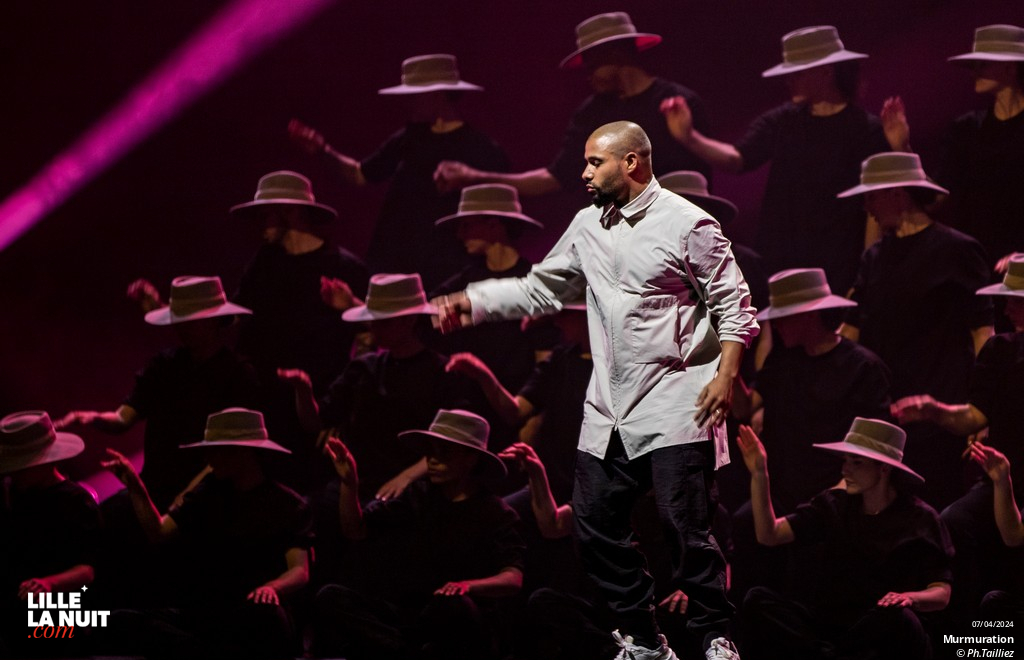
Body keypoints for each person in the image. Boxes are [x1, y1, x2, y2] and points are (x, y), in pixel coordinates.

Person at [434, 121, 757, 660]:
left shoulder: (688, 224)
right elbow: (542, 288)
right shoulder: (587, 224)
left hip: (677, 401)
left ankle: (714, 638)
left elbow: (735, 305)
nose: (583, 173)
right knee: (592, 525)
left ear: (631, 162)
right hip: (609, 408)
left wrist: (725, 377)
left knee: (685, 527)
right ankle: (645, 640)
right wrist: (475, 301)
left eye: (594, 162)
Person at [662, 25, 889, 293]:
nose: (789, 80)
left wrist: (867, 268)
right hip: (784, 257)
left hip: (841, 258)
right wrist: (690, 138)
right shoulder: (783, 121)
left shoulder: (865, 129)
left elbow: (875, 201)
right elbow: (738, 158)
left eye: (797, 73)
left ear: (826, 72)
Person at [838, 151, 994, 507]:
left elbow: (983, 334)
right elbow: (851, 333)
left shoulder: (957, 250)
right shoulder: (874, 258)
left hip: (941, 414)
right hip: (887, 415)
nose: (867, 208)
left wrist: (982, 412)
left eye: (871, 197)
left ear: (899, 195)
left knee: (939, 508)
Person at [728, 268, 892, 601]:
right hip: (783, 490)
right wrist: (727, 366)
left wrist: (838, 495)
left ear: (810, 316)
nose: (776, 326)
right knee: (744, 528)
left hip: (834, 495)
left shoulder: (862, 368)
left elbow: (875, 451)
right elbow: (744, 408)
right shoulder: (783, 359)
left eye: (783, 318)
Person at [100, 408, 311, 660]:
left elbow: (300, 570)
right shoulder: (209, 492)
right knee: (121, 621)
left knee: (265, 619)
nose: (209, 458)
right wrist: (136, 487)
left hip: (253, 615)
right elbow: (159, 531)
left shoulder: (288, 505)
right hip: (207, 614)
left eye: (217, 450)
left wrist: (272, 588)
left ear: (244, 452)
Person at [313, 409, 524, 660]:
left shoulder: (495, 512)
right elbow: (355, 530)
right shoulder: (417, 496)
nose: (432, 460)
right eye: (430, 451)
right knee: (331, 597)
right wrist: (350, 484)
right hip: (409, 618)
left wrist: (467, 587)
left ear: (471, 459)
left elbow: (513, 579)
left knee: (452, 606)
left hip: (457, 623)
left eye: (444, 452)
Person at [736, 418, 953, 660]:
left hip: (881, 631)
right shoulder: (835, 504)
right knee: (758, 601)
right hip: (833, 630)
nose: (845, 470)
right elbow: (770, 534)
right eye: (846, 461)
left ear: (884, 468)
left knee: (899, 618)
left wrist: (909, 598)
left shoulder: (920, 518)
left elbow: (941, 593)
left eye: (857, 462)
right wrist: (760, 473)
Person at [433, 12, 712, 197]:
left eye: (591, 65)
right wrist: (473, 176)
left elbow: (702, 182)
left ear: (615, 54)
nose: (587, 76)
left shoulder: (677, 103)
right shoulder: (591, 114)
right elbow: (553, 179)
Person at [289, 54, 508, 289]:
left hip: (445, 270)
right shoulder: (408, 138)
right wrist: (323, 150)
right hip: (395, 263)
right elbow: (360, 174)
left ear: (438, 94)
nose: (408, 102)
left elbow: (499, 214)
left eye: (414, 95)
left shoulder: (480, 148)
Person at [892, 255, 1024, 617]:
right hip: (1001, 477)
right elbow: (975, 416)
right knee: (954, 522)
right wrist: (933, 409)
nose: (1007, 309)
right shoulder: (1001, 350)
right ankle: (965, 630)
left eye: (1016, 300)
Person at [57, 275, 259, 511]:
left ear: (214, 321)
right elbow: (122, 419)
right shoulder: (164, 365)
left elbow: (234, 450)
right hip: (154, 489)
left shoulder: (237, 374)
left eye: (190, 321)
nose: (181, 327)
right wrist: (89, 417)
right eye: (178, 320)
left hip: (210, 495)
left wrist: (187, 499)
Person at [883, 25, 1024, 273]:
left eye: (983, 64)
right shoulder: (966, 129)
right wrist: (902, 147)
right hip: (977, 263)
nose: (974, 72)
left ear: (1010, 68)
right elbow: (936, 198)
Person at [229, 170, 369, 395]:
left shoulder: (344, 267)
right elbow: (237, 315)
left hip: (321, 396)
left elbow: (370, 334)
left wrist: (351, 304)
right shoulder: (264, 262)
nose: (260, 224)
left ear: (292, 212)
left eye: (265, 215)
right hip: (265, 394)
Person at [431, 183, 552, 397]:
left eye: (467, 225)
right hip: (468, 399)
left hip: (516, 399)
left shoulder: (534, 282)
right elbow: (425, 315)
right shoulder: (464, 280)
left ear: (494, 226)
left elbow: (545, 355)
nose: (460, 234)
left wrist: (535, 409)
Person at [0, 411, 100, 659]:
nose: (12, 473)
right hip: (16, 613)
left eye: (19, 467)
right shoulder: (14, 494)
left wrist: (49, 583)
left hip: (57, 615)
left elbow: (87, 570)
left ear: (44, 462)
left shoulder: (76, 501)